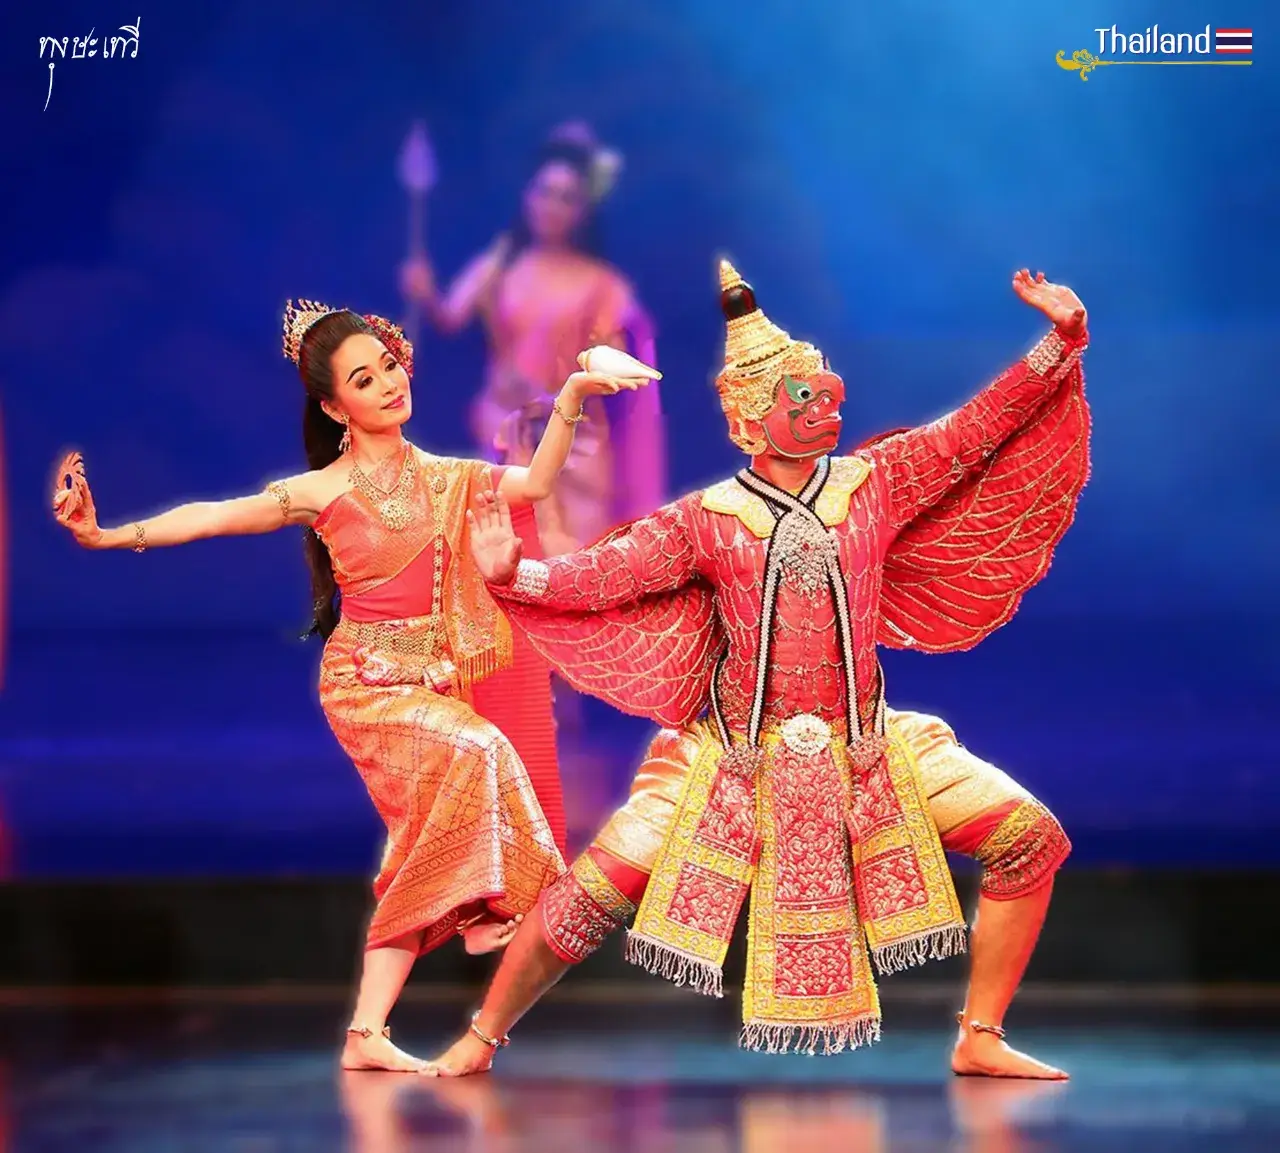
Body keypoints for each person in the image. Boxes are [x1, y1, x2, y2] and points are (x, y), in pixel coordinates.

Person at [427, 260, 1092, 1080]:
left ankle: (980, 1034)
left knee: (1031, 838)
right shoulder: (705, 521)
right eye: (801, 398)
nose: (825, 408)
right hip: (734, 761)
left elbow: (974, 429)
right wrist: (511, 575)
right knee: (595, 893)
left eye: (823, 393)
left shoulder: (875, 483)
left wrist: (1058, 343)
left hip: (867, 753)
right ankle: (482, 1034)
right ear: (749, 421)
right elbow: (605, 575)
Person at [50, 301, 654, 1072]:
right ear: (336, 406)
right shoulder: (322, 489)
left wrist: (570, 397)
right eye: (364, 380)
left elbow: (534, 483)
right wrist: (107, 534)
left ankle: (365, 1031)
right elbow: (213, 517)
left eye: (391, 367)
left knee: (422, 845)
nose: (388, 385)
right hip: (366, 685)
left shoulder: (448, 477)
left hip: (426, 680)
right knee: (479, 747)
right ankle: (484, 906)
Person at [400, 121, 664, 557]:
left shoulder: (602, 284)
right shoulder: (503, 262)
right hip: (506, 428)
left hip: (574, 440)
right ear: (527, 196)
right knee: (507, 551)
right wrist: (424, 290)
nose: (552, 206)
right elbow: (450, 315)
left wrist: (556, 392)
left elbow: (609, 362)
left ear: (583, 210)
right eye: (544, 192)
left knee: (573, 557)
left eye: (567, 198)